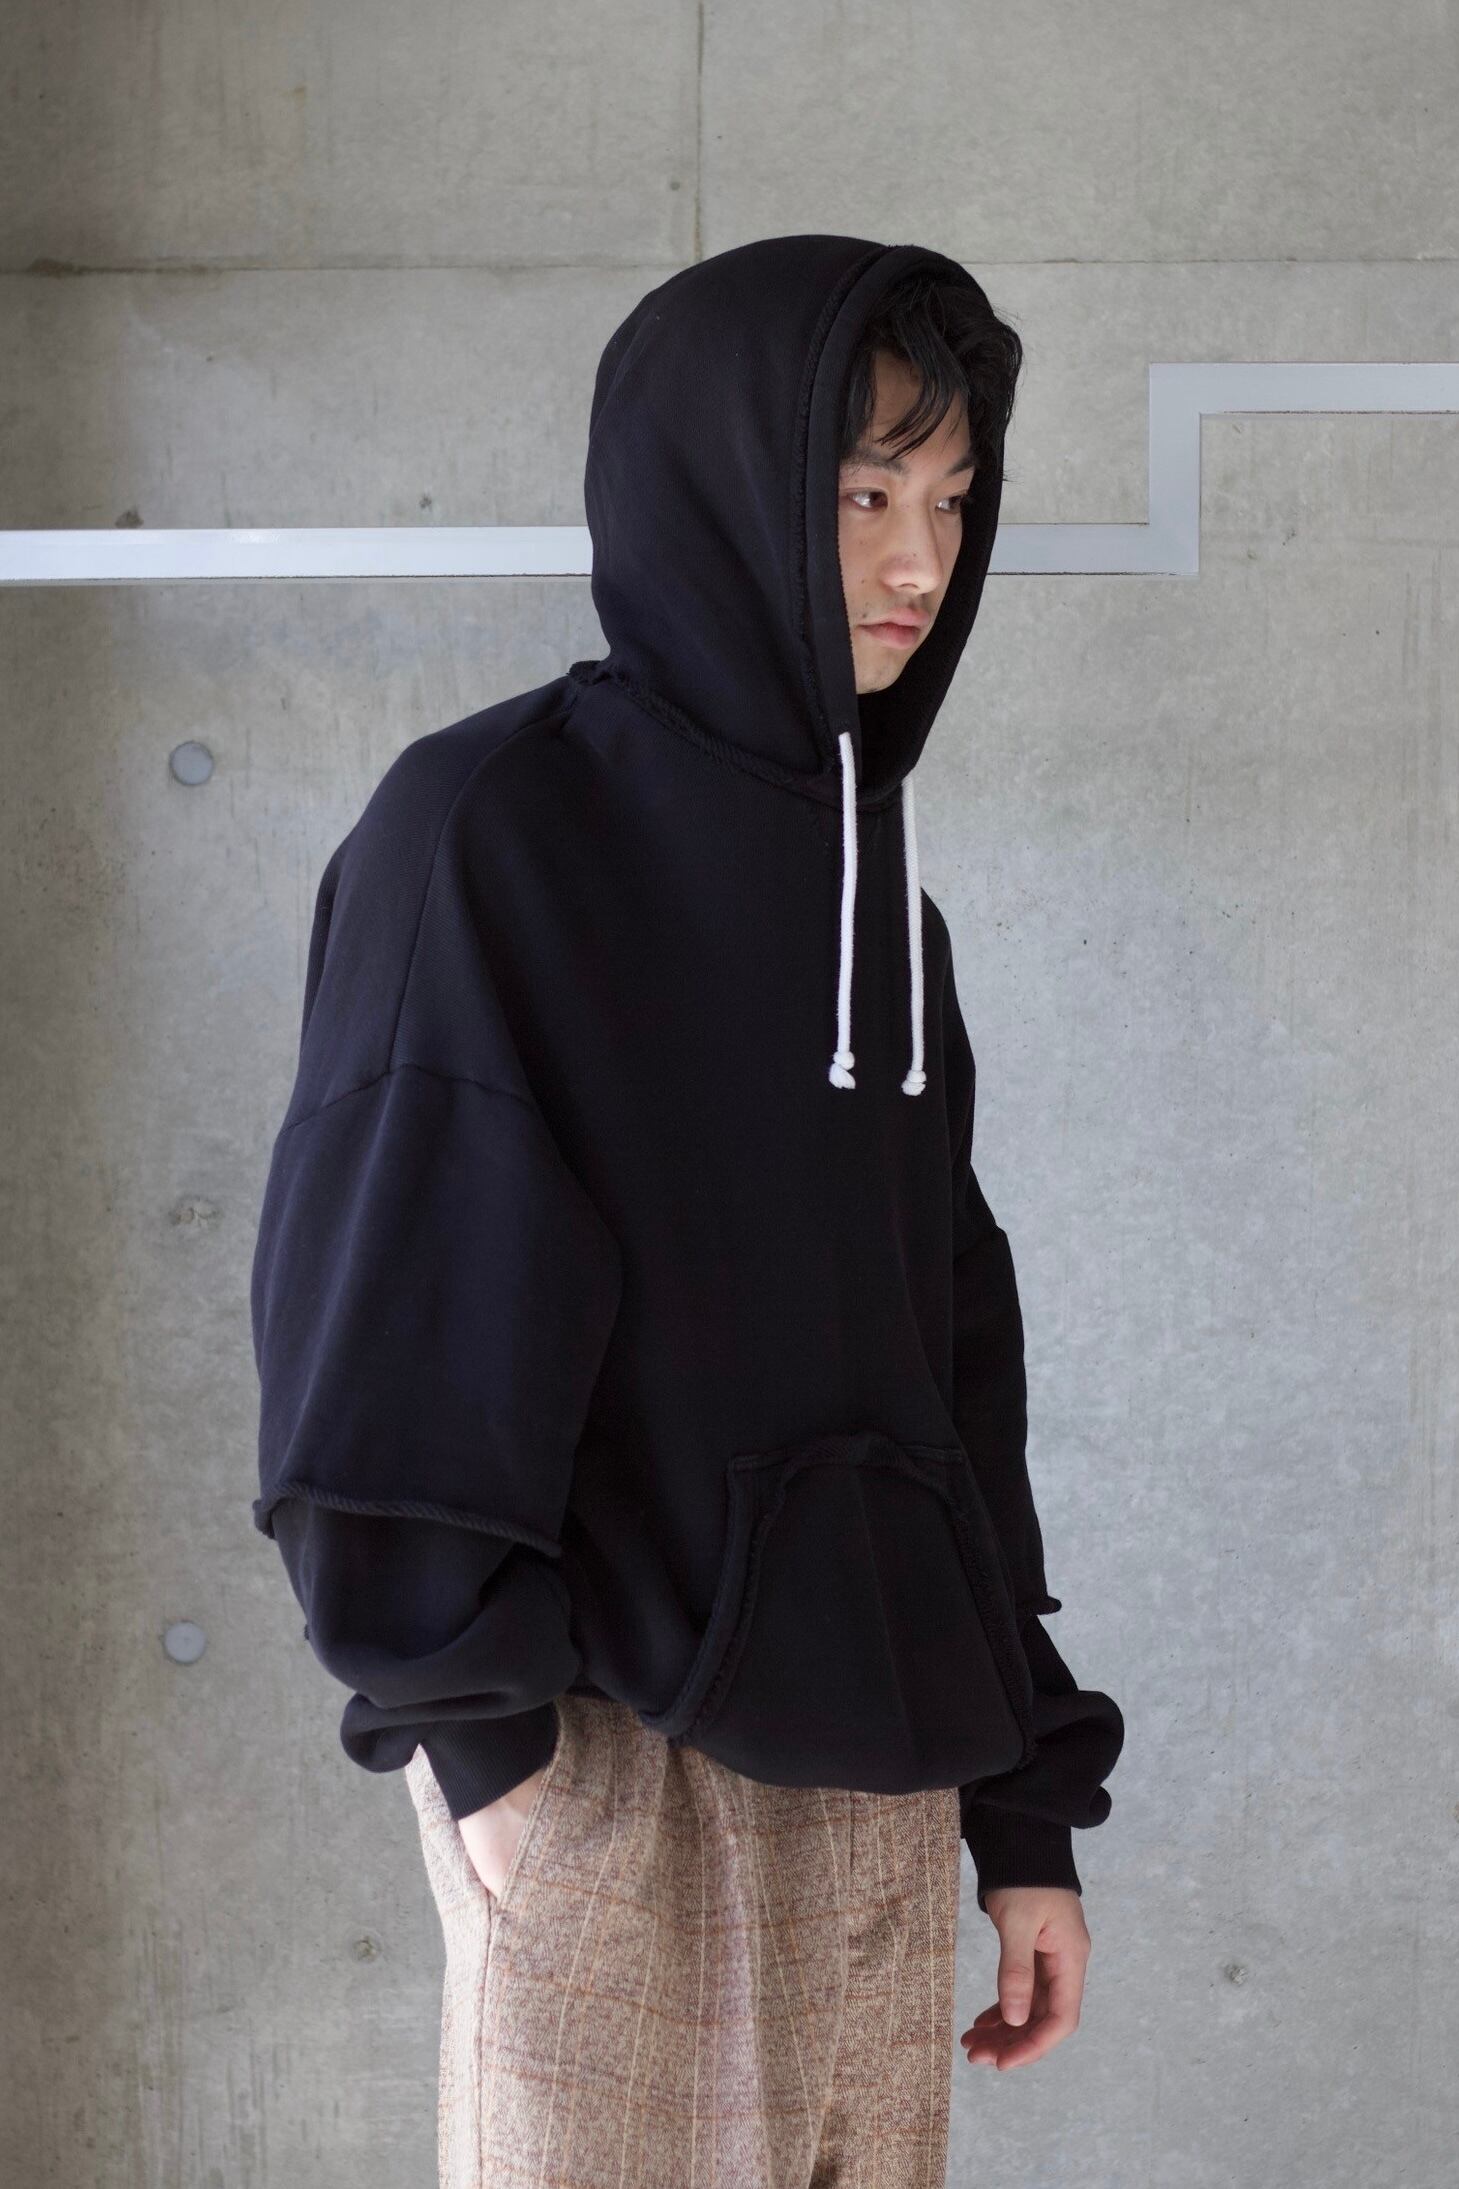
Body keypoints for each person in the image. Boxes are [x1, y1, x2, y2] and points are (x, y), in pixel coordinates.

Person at [250, 231, 1125, 2186]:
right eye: (864, 494)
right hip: (611, 1766)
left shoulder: (883, 905)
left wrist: (1022, 1810)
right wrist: (498, 1764)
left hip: (889, 1786)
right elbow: (387, 1316)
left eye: (953, 499)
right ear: (722, 487)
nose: (920, 562)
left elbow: (948, 1368)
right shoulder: (487, 829)